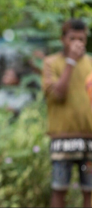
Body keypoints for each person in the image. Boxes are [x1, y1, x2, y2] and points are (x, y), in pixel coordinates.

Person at [42, 19, 92, 208]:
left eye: (82, 39)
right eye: (73, 39)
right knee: (59, 188)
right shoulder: (51, 63)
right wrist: (70, 61)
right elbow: (58, 94)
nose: (78, 43)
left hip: (90, 140)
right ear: (63, 39)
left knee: (89, 190)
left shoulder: (91, 63)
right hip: (62, 141)